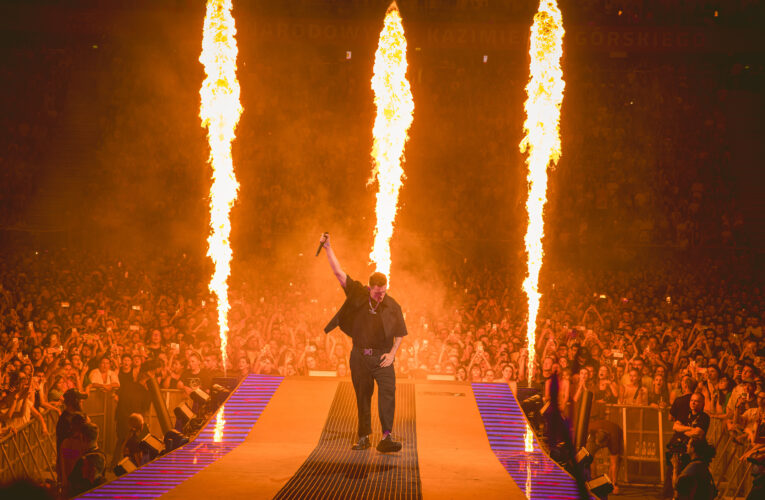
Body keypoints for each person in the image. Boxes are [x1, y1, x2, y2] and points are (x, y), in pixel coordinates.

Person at [320, 233, 406, 453]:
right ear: (370, 289)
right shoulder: (358, 293)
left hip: (382, 357)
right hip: (359, 356)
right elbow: (338, 274)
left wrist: (393, 354)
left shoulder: (392, 305)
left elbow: (400, 333)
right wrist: (328, 247)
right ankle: (364, 436)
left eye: (384, 291)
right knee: (362, 395)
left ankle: (387, 437)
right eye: (378, 293)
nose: (381, 296)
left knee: (388, 390)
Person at [663, 392, 710, 498]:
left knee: (687, 480)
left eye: (696, 401)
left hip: (693, 453)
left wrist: (682, 429)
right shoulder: (685, 413)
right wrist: (690, 429)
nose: (693, 403)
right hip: (678, 449)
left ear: (702, 404)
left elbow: (698, 433)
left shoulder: (704, 417)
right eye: (692, 400)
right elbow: (675, 427)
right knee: (672, 475)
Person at [67, 422, 106, 497]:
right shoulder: (102, 456)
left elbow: (72, 481)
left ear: (84, 438)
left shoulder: (84, 461)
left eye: (79, 438)